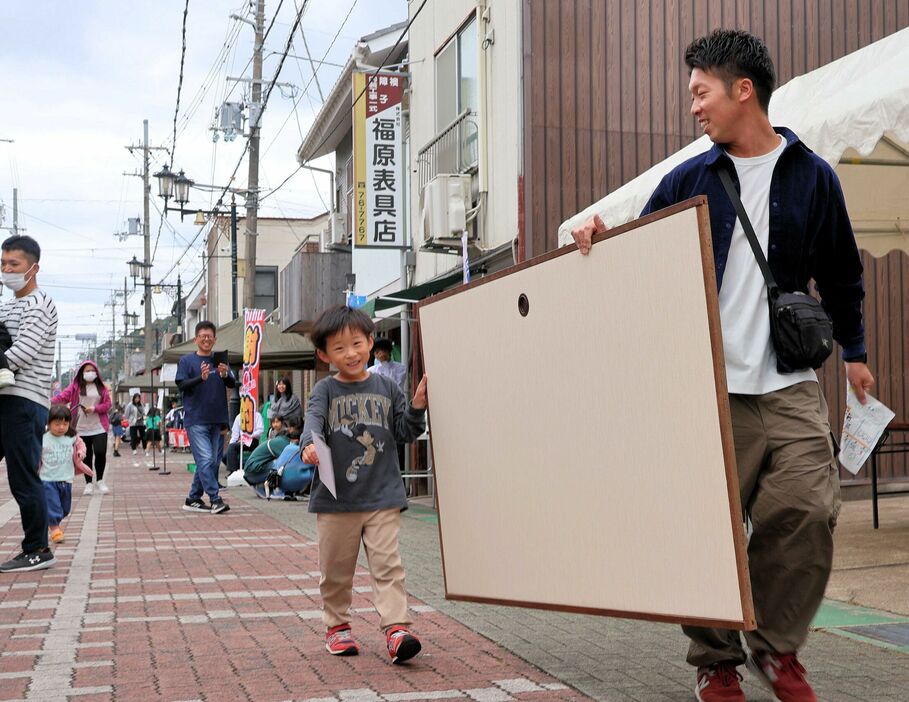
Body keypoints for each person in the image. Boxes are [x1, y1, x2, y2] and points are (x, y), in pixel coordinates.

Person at [571, 29, 874, 702]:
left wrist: (852, 354)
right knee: (704, 531)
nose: (693, 108)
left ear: (744, 91)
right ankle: (715, 660)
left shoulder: (811, 176)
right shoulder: (687, 178)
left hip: (789, 383)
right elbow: (639, 259)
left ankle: (774, 649)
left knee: (807, 509)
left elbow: (841, 274)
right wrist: (597, 240)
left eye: (700, 93)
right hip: (706, 386)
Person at [300, 304, 428, 664]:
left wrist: (417, 406)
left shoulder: (387, 386)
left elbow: (405, 432)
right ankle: (337, 627)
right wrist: (309, 446)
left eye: (356, 343)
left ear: (371, 343)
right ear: (324, 355)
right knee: (336, 571)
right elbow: (313, 422)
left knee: (389, 567)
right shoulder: (325, 390)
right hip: (336, 499)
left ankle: (396, 629)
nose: (350, 353)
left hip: (383, 495)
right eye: (338, 348)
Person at [0, 235, 59, 573]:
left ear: (33, 267)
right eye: (3, 264)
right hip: (4, 398)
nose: (7, 270)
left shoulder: (41, 303)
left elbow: (23, 352)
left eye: (14, 265)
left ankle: (37, 548)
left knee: (23, 477)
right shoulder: (6, 306)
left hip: (24, 401)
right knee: (21, 475)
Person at [176, 321, 236, 514]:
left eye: (210, 336)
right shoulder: (186, 361)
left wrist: (225, 374)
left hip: (217, 419)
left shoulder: (220, 361)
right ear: (196, 339)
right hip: (196, 419)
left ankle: (193, 498)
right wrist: (200, 378)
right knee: (205, 459)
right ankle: (215, 499)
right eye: (202, 336)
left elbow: (232, 383)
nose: (206, 339)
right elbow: (182, 385)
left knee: (211, 462)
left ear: (215, 339)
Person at [52, 360, 112, 495]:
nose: (90, 373)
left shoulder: (102, 388)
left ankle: (100, 480)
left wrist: (95, 408)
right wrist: (47, 402)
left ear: (96, 372)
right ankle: (89, 483)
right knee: (85, 455)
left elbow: (108, 405)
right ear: (81, 373)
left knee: (100, 451)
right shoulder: (75, 387)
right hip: (81, 427)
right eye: (87, 371)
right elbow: (61, 397)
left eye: (92, 370)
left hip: (99, 426)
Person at [40, 404, 93, 543]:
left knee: (64, 509)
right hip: (47, 479)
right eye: (57, 424)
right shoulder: (44, 438)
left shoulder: (72, 437)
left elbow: (81, 445)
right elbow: (35, 453)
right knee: (53, 506)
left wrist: (81, 452)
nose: (61, 427)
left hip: (66, 479)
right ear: (49, 423)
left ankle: (47, 521)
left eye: (65, 423)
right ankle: (55, 529)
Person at [224, 409, 264, 475]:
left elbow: (260, 431)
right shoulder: (239, 417)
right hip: (241, 441)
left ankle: (233, 472)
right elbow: (235, 435)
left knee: (232, 448)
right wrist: (230, 447)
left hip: (253, 440)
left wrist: (249, 435)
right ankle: (242, 467)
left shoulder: (257, 415)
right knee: (225, 456)